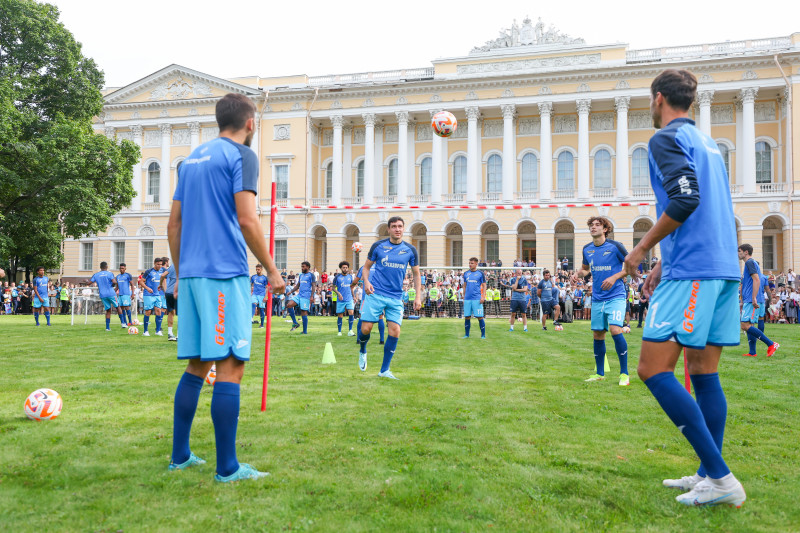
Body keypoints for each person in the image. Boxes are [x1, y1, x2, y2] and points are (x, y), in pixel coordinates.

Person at [622, 69, 746, 507]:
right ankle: (706, 474)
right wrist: (662, 261)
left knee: (652, 370)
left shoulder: (664, 139)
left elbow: (685, 199)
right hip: (721, 267)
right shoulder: (709, 143)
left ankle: (720, 477)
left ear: (659, 99)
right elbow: (704, 206)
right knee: (703, 371)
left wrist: (640, 251)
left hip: (694, 271)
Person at [166, 92, 285, 482]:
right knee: (231, 365)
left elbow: (174, 225)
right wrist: (271, 269)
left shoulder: (193, 158)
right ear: (250, 123)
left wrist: (182, 274)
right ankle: (228, 468)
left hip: (193, 275)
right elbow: (248, 220)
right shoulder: (243, 156)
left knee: (198, 365)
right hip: (223, 274)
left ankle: (180, 455)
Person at [359, 216, 421, 379]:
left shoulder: (410, 250)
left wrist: (418, 297)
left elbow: (416, 274)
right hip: (376, 293)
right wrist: (366, 282)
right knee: (366, 329)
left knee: (395, 331)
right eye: (394, 226)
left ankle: (384, 370)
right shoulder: (378, 246)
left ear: (403, 228)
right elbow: (366, 268)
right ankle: (363, 349)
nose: (397, 229)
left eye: (400, 226)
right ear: (388, 229)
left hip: (395, 297)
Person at [573, 217, 630, 385]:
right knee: (598, 334)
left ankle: (624, 374)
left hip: (616, 296)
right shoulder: (587, 249)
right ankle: (599, 373)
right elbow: (585, 270)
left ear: (605, 229)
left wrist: (614, 277)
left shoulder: (615, 246)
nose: (593, 227)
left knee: (615, 329)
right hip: (597, 297)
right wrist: (577, 274)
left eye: (597, 225)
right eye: (591, 225)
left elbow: (630, 266)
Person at [737, 244, 779, 357]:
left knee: (745, 325)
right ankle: (752, 352)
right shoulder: (751, 263)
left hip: (751, 299)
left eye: (739, 251)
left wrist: (754, 297)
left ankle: (771, 344)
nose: (738, 253)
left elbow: (756, 279)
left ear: (746, 252)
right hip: (749, 299)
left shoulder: (750, 262)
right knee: (749, 325)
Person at [352, 264, 386, 345]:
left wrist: (351, 286)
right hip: (378, 296)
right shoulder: (382, 266)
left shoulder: (364, 267)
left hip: (366, 296)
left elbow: (355, 281)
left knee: (361, 317)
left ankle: (358, 339)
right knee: (380, 317)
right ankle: (382, 340)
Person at [462, 257, 487, 339]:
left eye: (472, 263)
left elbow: (484, 285)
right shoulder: (466, 273)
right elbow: (464, 286)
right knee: (467, 316)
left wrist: (483, 296)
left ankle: (483, 335)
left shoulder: (480, 273)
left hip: (477, 298)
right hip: (467, 299)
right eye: (469, 263)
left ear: (476, 264)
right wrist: (464, 297)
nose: (470, 264)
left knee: (480, 317)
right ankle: (466, 334)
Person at [286, 261, 315, 334]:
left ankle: (304, 331)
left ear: (308, 267)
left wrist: (312, 296)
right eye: (301, 266)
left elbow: (313, 286)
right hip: (299, 295)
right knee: (289, 305)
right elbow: (298, 285)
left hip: (306, 296)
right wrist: (291, 291)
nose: (302, 268)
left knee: (303, 313)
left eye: (303, 266)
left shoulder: (311, 275)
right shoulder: (301, 275)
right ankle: (295, 323)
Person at [91, 261, 119, 331]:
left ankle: (107, 327)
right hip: (111, 293)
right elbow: (114, 282)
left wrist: (85, 282)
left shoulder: (96, 275)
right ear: (106, 267)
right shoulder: (110, 273)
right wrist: (115, 284)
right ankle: (123, 323)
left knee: (108, 310)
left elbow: (89, 282)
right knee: (118, 307)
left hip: (103, 295)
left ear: (100, 267)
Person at [139, 257, 164, 336]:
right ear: (154, 263)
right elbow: (141, 282)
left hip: (157, 294)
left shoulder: (162, 271)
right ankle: (145, 331)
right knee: (148, 311)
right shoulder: (149, 272)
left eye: (160, 264)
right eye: (158, 264)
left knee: (158, 311)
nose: (159, 266)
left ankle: (158, 331)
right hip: (148, 295)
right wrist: (147, 288)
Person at [334, 261, 355, 336]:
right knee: (340, 315)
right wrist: (339, 294)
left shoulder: (350, 277)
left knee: (351, 313)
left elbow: (351, 287)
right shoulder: (337, 277)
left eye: (346, 267)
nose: (345, 269)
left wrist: (354, 296)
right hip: (340, 300)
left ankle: (350, 330)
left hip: (349, 298)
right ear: (341, 268)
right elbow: (333, 288)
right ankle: (339, 331)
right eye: (343, 267)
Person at [160, 259, 179, 339]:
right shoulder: (185, 265)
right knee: (181, 315)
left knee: (171, 313)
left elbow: (162, 275)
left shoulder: (173, 265)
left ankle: (170, 334)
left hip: (169, 292)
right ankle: (179, 335)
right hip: (178, 293)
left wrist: (160, 284)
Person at [250, 263, 268, 329]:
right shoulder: (253, 277)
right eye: (256, 269)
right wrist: (250, 292)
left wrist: (266, 296)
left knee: (261, 309)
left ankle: (262, 324)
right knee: (253, 304)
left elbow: (267, 287)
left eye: (258, 269)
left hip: (262, 295)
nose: (257, 271)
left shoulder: (265, 278)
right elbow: (251, 285)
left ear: (262, 269)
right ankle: (251, 318)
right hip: (255, 294)